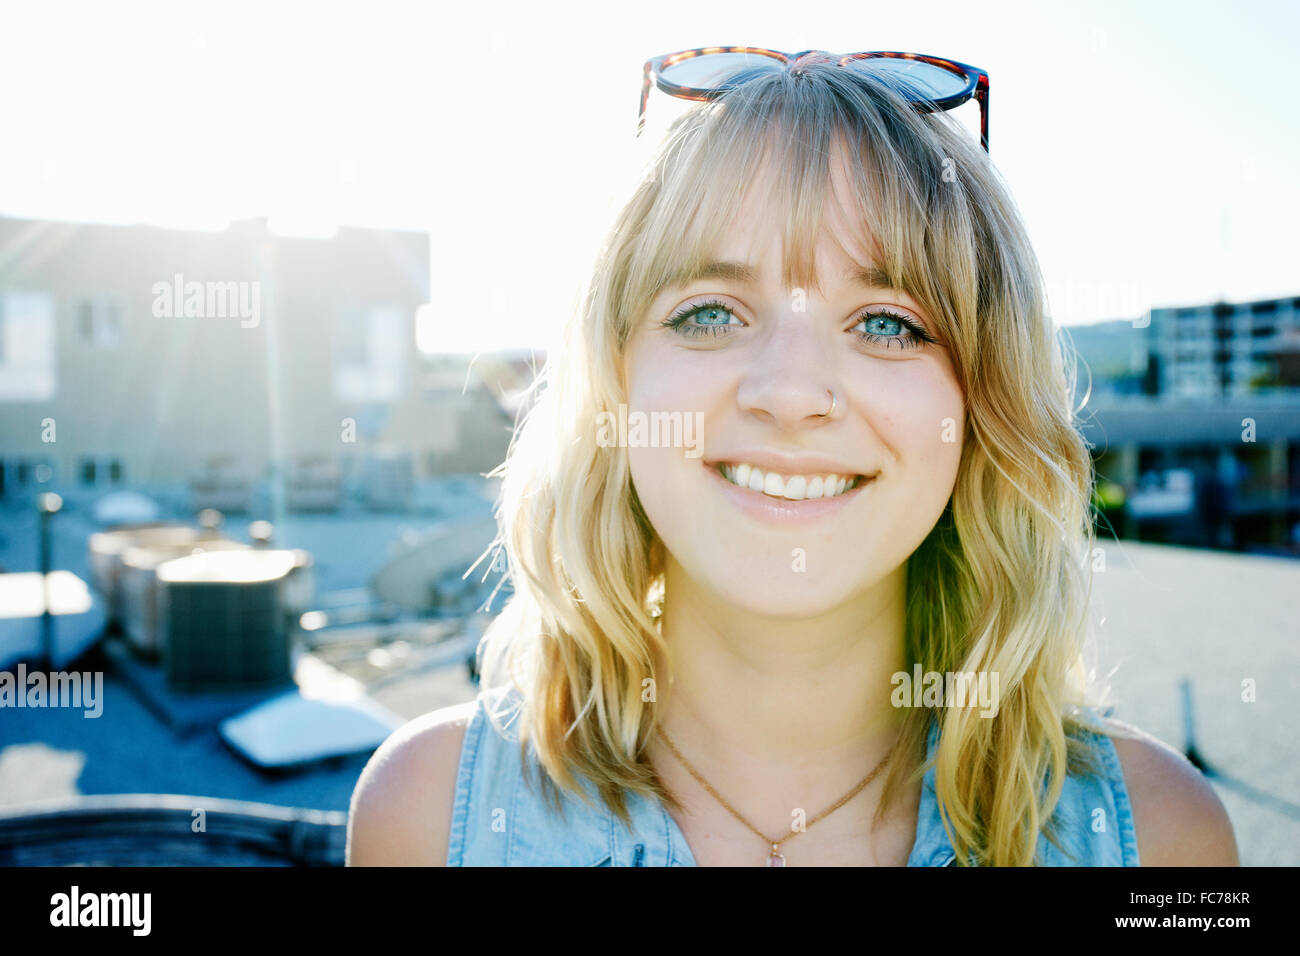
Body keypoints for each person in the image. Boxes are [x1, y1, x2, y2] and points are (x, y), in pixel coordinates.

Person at [347, 50, 1237, 866]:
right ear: (615, 384)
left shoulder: (1159, 839)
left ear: (982, 406)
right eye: (709, 313)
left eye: (888, 323)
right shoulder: (428, 818)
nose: (792, 390)